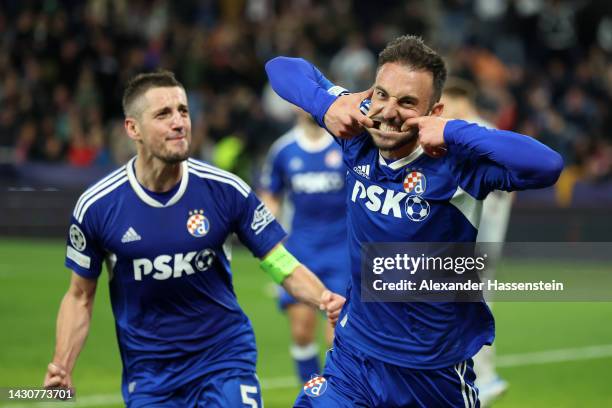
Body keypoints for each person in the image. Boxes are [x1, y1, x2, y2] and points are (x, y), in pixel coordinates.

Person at [266, 35, 563, 407]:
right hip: (353, 363)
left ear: (433, 111)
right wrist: (329, 103)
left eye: (407, 102)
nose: (389, 112)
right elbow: (280, 68)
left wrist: (454, 130)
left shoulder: (457, 162)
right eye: (382, 95)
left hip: (431, 375)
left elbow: (548, 165)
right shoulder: (357, 136)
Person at [43, 70, 345, 407]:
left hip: (224, 360)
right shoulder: (98, 206)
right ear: (133, 129)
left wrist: (324, 299)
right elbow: (80, 296)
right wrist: (61, 364)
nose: (179, 122)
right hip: (150, 375)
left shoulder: (225, 190)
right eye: (163, 114)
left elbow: (278, 261)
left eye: (183, 111)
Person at [259, 108, 350, 383]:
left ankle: (340, 395)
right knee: (301, 331)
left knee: (338, 335)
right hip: (301, 251)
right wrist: (263, 231)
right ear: (296, 106)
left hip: (342, 252)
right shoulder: (284, 150)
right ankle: (312, 394)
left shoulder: (343, 144)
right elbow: (270, 195)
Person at [442, 79, 513, 406]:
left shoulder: (475, 138)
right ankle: (481, 377)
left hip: (476, 241)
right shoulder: (486, 135)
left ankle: (482, 380)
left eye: (446, 101)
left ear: (460, 101)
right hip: (481, 240)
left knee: (467, 308)